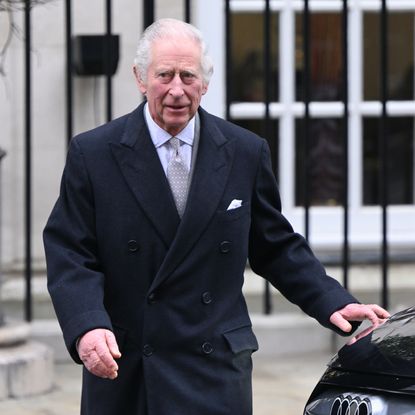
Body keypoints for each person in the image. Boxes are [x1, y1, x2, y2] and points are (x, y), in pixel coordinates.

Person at [43, 18, 389, 415]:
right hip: (130, 366)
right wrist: (87, 325)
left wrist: (332, 301)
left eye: (188, 76)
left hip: (213, 366)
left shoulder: (244, 151)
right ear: (141, 78)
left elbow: (274, 246)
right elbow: (70, 251)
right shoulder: (94, 153)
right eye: (165, 75)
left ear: (205, 83)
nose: (177, 90)